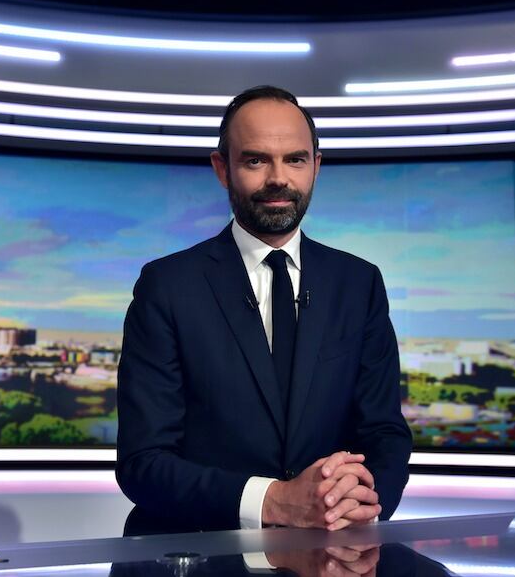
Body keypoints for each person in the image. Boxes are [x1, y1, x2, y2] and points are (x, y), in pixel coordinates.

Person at [116, 85, 411, 535]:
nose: (278, 178)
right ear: (222, 169)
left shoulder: (359, 283)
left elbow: (384, 434)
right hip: (198, 551)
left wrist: (364, 501)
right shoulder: (167, 286)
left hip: (331, 549)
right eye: (256, 160)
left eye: (295, 159)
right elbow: (143, 462)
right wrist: (274, 502)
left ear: (316, 166)